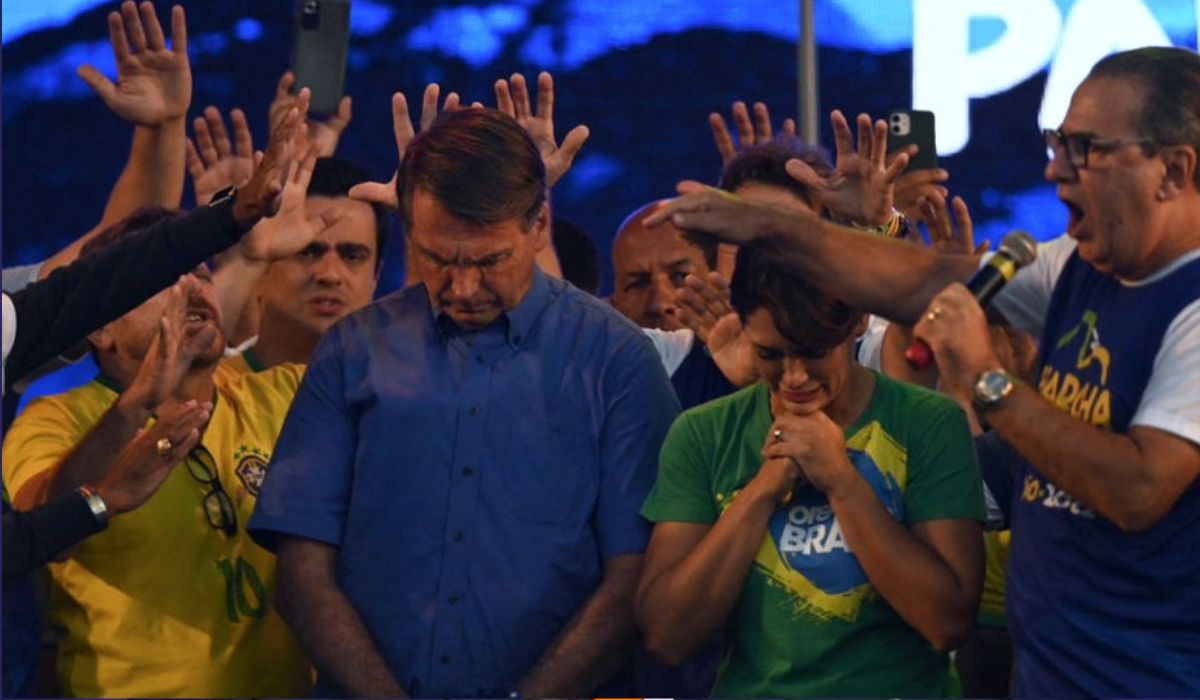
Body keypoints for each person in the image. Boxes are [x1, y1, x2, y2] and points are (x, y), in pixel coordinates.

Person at [648, 46, 1200, 697]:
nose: (1055, 169)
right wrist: (774, 225)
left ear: (1174, 168)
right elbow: (924, 281)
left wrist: (989, 383)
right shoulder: (1080, 268)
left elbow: (1138, 490)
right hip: (1059, 675)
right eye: (1056, 143)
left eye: (1085, 149)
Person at [248, 107, 680, 698]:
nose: (462, 287)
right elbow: (301, 570)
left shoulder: (616, 360)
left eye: (488, 261)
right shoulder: (353, 351)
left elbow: (636, 578)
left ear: (538, 226)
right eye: (437, 259)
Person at [2, 130, 326, 698]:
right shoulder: (54, 420)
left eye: (200, 272)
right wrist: (136, 408)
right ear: (98, 325)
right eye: (161, 280)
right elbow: (40, 534)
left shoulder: (282, 396)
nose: (192, 287)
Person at [636, 241, 984, 697]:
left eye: (813, 351)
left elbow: (948, 622)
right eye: (771, 354)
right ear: (742, 330)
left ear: (860, 321)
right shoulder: (704, 433)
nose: (795, 377)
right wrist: (763, 489)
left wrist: (840, 479)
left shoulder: (927, 423)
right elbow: (666, 636)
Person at [222, 156, 387, 373]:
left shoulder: (404, 398)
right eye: (307, 252)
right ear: (260, 271)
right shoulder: (202, 392)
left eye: (352, 256)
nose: (330, 275)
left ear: (376, 277)